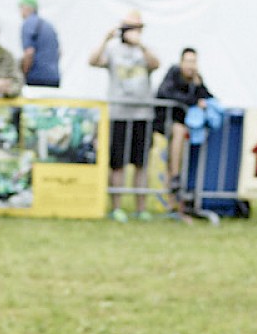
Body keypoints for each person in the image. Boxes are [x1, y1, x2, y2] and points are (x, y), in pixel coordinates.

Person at [88, 13, 159, 217]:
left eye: (139, 28)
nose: (136, 32)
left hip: (142, 115)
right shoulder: (113, 50)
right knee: (117, 164)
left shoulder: (145, 52)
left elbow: (156, 64)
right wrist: (105, 39)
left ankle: (141, 209)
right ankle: (117, 207)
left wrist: (142, 46)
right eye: (132, 28)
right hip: (118, 114)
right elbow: (92, 61)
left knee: (141, 164)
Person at [155, 46, 211, 214]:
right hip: (165, 122)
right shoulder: (173, 73)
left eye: (193, 61)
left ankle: (174, 203)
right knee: (174, 158)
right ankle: (175, 179)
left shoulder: (195, 79)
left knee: (177, 159)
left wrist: (198, 85)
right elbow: (165, 93)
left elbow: (208, 97)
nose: (190, 65)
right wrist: (192, 100)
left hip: (186, 129)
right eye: (187, 61)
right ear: (181, 62)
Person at [19, 0, 62, 89]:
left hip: (36, 78)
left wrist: (22, 75)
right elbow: (59, 52)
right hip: (54, 77)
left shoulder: (28, 24)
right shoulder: (49, 25)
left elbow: (29, 53)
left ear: (27, 8)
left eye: (21, 8)